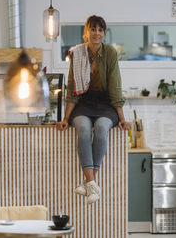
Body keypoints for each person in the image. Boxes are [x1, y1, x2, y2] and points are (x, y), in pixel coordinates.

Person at [56, 15, 130, 204]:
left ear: (104, 33)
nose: (96, 33)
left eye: (100, 29)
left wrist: (121, 117)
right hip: (84, 103)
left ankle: (89, 182)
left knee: (102, 128)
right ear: (86, 33)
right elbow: (72, 86)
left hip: (106, 104)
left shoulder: (111, 53)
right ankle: (92, 183)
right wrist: (65, 118)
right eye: (93, 29)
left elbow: (115, 86)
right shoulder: (77, 54)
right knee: (82, 128)